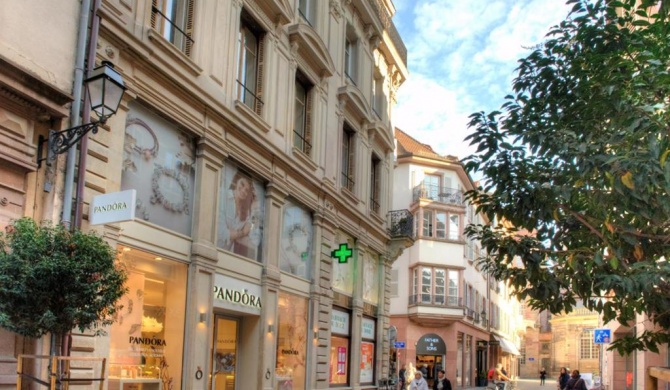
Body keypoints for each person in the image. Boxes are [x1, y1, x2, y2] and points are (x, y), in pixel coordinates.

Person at [219, 171, 262, 260]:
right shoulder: (223, 195)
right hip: (212, 250)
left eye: (247, 190)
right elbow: (222, 234)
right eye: (242, 184)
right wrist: (242, 232)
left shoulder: (246, 211)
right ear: (236, 181)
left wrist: (254, 206)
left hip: (225, 256)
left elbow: (255, 239)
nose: (243, 190)